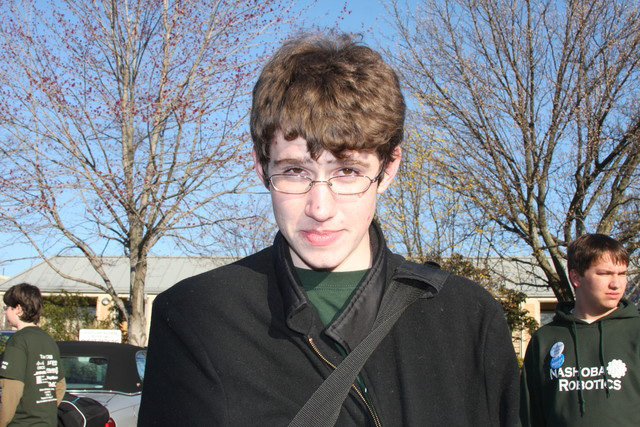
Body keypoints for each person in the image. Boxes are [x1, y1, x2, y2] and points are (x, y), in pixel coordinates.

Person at [138, 33, 519, 426]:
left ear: (388, 168)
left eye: (348, 171)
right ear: (261, 167)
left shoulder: (468, 318)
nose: (319, 208)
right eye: (294, 171)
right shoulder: (197, 318)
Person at [520, 233, 640, 426]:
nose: (616, 284)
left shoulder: (635, 332)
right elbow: (529, 415)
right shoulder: (545, 339)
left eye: (622, 274)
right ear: (576, 277)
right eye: (604, 274)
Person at [0, 283, 66, 427]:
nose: (5, 312)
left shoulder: (18, 340)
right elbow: (60, 385)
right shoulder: (48, 339)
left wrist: (2, 422)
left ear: (18, 309)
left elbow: (12, 389)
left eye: (7, 307)